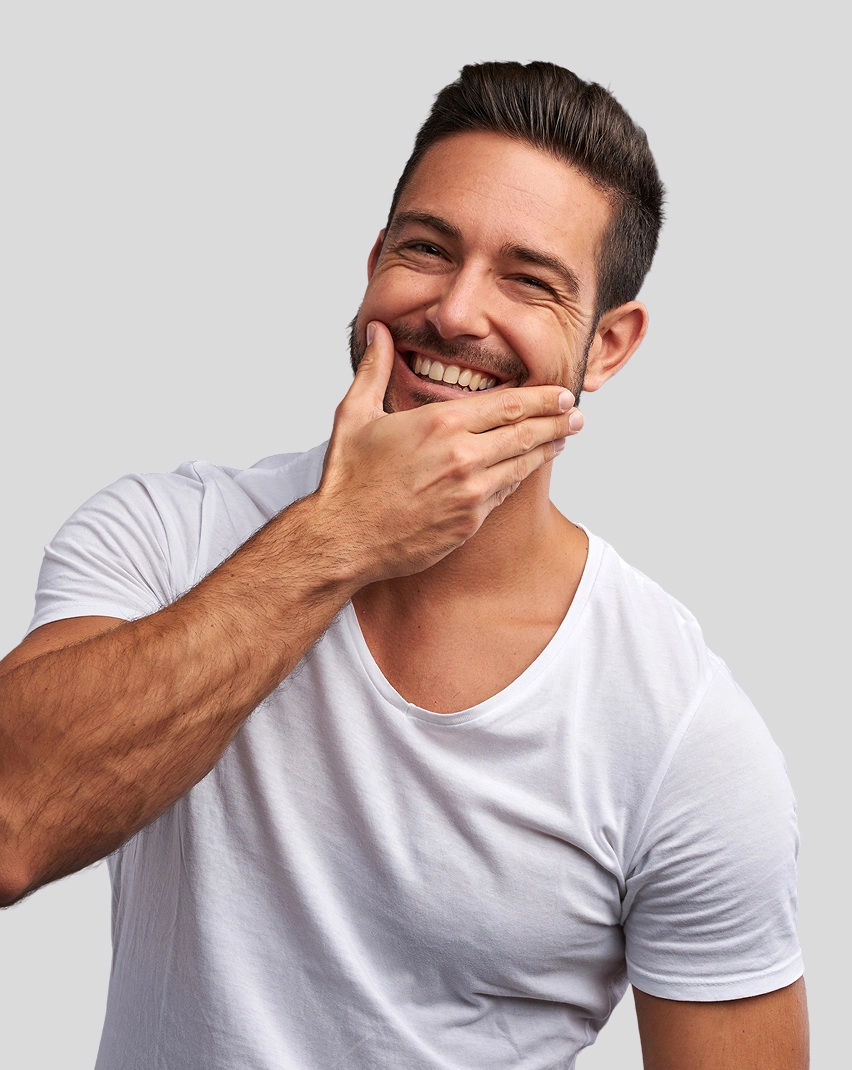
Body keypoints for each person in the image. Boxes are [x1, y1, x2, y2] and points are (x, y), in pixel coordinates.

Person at [0, 61, 807, 1068]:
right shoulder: (164, 536)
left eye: (529, 279)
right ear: (374, 261)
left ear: (608, 347)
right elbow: (11, 819)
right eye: (428, 249)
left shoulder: (681, 731)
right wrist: (341, 537)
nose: (458, 311)